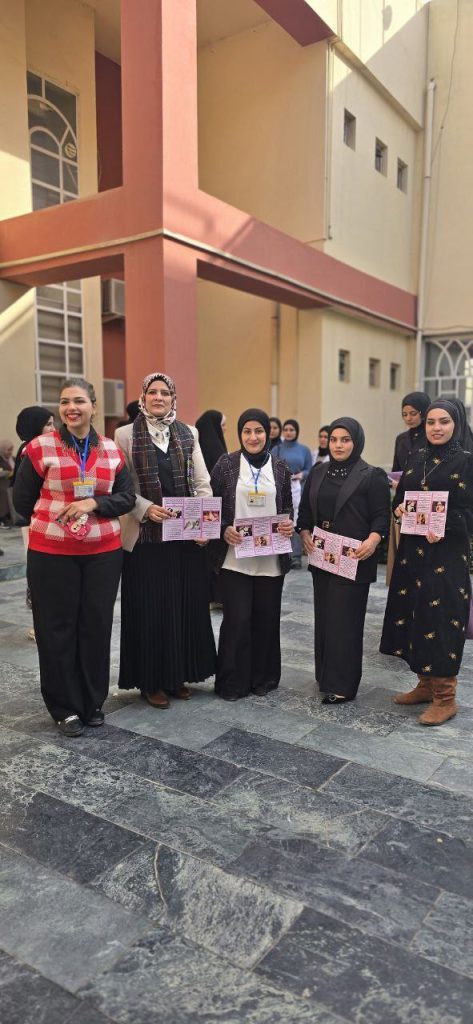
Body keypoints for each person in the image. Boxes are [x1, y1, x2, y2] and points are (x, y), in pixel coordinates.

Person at [13, 377, 135, 737]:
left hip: (103, 553)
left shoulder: (111, 450)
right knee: (56, 629)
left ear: (93, 406)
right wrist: (56, 517)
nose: (71, 408)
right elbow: (22, 501)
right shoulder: (39, 448)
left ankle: (92, 702)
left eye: (79, 401)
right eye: (65, 402)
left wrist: (93, 502)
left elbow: (126, 498)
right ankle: (64, 707)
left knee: (95, 626)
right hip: (52, 554)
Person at [115, 372, 216, 708]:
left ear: (173, 398)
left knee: (181, 607)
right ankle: (151, 681)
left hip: (183, 538)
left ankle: (177, 677)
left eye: (165, 393)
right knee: (150, 610)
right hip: (144, 538)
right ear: (143, 398)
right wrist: (145, 509)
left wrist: (203, 524)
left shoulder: (189, 432)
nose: (159, 398)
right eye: (152, 392)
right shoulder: (125, 435)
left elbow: (201, 483)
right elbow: (121, 487)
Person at [380, 400, 473, 725]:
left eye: (444, 421)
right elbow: (401, 499)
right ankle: (424, 685)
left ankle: (445, 698)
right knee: (415, 616)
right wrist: (399, 510)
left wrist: (444, 524)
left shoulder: (467, 462)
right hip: (413, 555)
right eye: (431, 421)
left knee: (441, 619)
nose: (436, 427)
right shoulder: (415, 457)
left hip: (447, 557)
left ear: (456, 424)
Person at [299, 417, 390, 704]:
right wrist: (304, 533)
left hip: (354, 556)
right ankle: (325, 675)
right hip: (323, 555)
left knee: (345, 621)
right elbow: (305, 513)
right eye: (334, 439)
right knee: (325, 617)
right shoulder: (318, 472)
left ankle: (342, 685)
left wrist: (373, 541)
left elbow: (381, 517)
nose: (338, 445)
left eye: (345, 440)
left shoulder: (372, 475)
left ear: (356, 442)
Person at [210, 408, 293, 700]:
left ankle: (263, 679)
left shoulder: (280, 467)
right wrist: (223, 529)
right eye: (247, 431)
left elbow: (287, 507)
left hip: (270, 559)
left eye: (258, 431)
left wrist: (288, 524)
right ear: (240, 433)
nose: (253, 437)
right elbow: (212, 506)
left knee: (266, 619)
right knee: (237, 620)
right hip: (235, 558)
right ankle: (232, 682)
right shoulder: (226, 464)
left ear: (267, 434)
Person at [11, 406, 55, 638]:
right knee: (41, 574)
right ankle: (41, 626)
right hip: (35, 521)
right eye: (48, 424)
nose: (53, 429)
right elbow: (23, 494)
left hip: (48, 520)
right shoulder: (30, 449)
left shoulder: (47, 447)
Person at [273, 419, 312, 568]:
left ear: (297, 431)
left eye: (292, 430)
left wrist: (303, 474)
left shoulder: (304, 450)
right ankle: (282, 554)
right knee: (283, 520)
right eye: (286, 430)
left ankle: (295, 556)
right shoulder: (277, 449)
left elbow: (310, 469)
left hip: (297, 488)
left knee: (295, 521)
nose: (288, 433)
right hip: (280, 487)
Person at [392, 392, 431, 472]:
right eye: (404, 414)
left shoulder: (432, 437)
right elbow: (396, 470)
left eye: (413, 413)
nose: (408, 418)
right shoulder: (401, 439)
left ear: (424, 412)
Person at [195, 409, 227, 474]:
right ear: (215, 426)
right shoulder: (216, 451)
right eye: (223, 425)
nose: (225, 428)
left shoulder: (196, 447)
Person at [0, 441, 15, 526]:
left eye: (11, 450)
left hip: (12, 481)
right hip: (2, 482)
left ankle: (15, 517)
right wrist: (6, 473)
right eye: (8, 450)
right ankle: (3, 516)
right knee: (5, 491)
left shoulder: (13, 459)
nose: (10, 452)